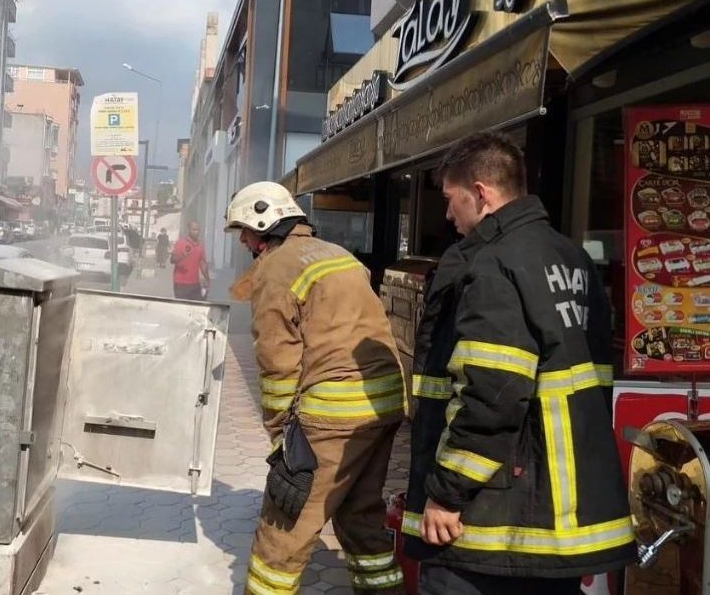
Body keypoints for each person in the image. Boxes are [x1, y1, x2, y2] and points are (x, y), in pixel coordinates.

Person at [403, 132, 634, 595]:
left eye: (452, 199)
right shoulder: (571, 258)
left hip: (493, 522)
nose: (447, 214)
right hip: (557, 517)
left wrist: (446, 493)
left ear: (482, 194)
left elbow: (493, 395)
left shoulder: (492, 264)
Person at [225, 182, 405, 595]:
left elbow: (277, 360)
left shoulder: (276, 268)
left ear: (264, 222)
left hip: (332, 416)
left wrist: (282, 438)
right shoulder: (339, 254)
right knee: (360, 518)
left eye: (246, 232)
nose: (244, 242)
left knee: (283, 528)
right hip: (385, 406)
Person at [170, 221, 209, 300]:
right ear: (189, 230)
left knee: (197, 308)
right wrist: (182, 255)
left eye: (198, 230)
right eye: (194, 229)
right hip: (181, 284)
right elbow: (172, 260)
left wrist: (207, 279)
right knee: (183, 309)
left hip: (195, 284)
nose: (196, 232)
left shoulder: (200, 246)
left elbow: (203, 264)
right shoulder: (180, 243)